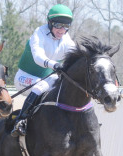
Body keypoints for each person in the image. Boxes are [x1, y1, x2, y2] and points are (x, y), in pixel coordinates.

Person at [11, 4, 75, 137]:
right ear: (50, 23)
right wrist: (54, 64)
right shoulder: (39, 33)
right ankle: (20, 120)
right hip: (25, 77)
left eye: (66, 26)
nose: (62, 30)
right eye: (58, 25)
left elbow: (76, 54)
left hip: (47, 78)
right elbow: (38, 57)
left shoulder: (66, 38)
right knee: (42, 86)